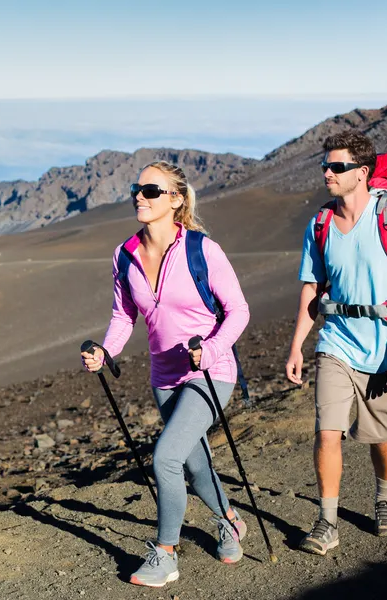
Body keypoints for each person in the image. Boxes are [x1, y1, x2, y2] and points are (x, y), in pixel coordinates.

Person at [81, 161, 251, 588]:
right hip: (165, 378)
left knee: (165, 456)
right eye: (137, 188)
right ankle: (230, 520)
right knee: (194, 465)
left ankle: (165, 554)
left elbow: (238, 311)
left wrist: (210, 350)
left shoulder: (202, 249)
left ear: (175, 199)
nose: (140, 196)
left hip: (212, 371)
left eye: (151, 190)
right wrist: (106, 350)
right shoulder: (124, 255)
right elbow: (124, 317)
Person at [285, 131, 387, 555]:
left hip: (385, 346)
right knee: (327, 432)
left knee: (379, 434)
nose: (327, 173)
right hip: (336, 343)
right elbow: (312, 289)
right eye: (325, 166)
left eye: (338, 167)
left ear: (362, 173)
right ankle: (326, 522)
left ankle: (384, 498)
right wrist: (297, 345)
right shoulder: (322, 223)